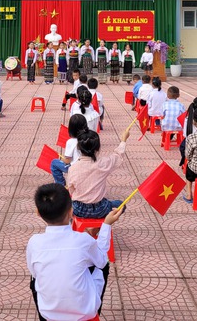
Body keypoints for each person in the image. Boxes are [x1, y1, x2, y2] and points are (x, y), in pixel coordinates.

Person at [27, 183, 123, 321]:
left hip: (47, 313)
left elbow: (35, 273)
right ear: (71, 212)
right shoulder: (83, 240)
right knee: (102, 263)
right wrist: (106, 225)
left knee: (34, 278)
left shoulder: (34, 242)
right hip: (84, 313)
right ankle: (94, 309)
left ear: (38, 212)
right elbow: (101, 260)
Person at [66, 128, 130, 218]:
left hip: (78, 209)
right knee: (121, 204)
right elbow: (118, 156)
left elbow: (71, 189)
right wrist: (123, 140)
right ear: (98, 147)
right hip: (100, 209)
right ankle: (100, 227)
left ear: (79, 148)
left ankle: (83, 227)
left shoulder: (72, 168)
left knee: (67, 204)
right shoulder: (103, 163)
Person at [50, 114, 89, 186]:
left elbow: (68, 161)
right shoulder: (88, 139)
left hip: (74, 168)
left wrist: (61, 158)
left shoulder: (71, 142)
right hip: (88, 166)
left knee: (54, 163)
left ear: (70, 129)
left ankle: (60, 184)